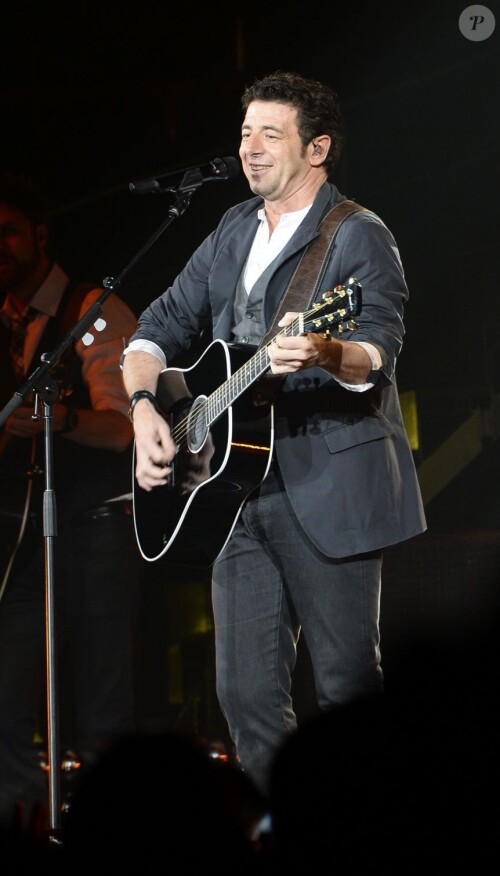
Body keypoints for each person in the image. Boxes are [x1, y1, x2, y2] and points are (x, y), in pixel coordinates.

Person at [121, 70, 427, 795]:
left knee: (348, 684)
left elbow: (377, 350)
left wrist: (323, 349)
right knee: (246, 696)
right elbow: (155, 328)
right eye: (244, 133)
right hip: (232, 495)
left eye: (270, 135)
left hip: (329, 485)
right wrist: (141, 409)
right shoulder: (230, 230)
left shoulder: (357, 233)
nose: (250, 149)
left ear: (316, 148)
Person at [0, 171, 142, 828]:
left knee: (104, 712)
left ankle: (112, 843)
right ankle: (25, 842)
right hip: (20, 542)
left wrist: (62, 422)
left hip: (97, 524)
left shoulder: (97, 311)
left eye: (7, 233)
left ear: (40, 234)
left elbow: (129, 425)